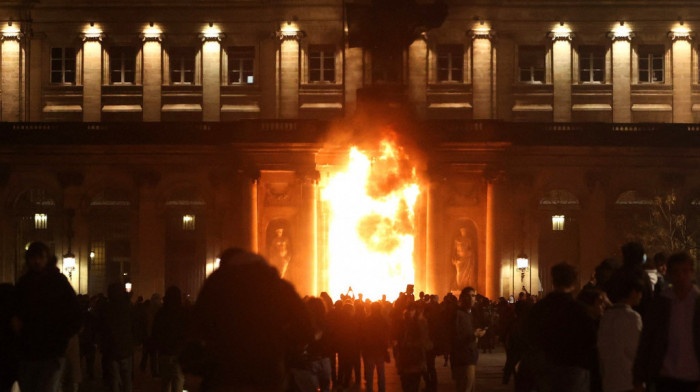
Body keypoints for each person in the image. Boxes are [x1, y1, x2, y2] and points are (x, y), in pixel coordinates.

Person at [188, 248, 314, 392]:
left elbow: (196, 328)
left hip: (225, 376)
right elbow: (306, 329)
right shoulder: (278, 286)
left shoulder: (216, 284)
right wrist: (280, 346)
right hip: (269, 375)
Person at [15, 242, 81, 392]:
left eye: (41, 257)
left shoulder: (58, 282)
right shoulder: (24, 284)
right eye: (33, 258)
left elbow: (75, 313)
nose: (37, 261)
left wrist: (62, 339)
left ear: (47, 259)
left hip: (50, 352)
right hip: (30, 351)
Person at [524, 262, 597, 392]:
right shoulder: (579, 310)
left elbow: (529, 336)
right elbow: (590, 341)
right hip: (573, 369)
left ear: (553, 281)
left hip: (546, 368)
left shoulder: (540, 308)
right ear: (574, 282)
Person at [633, 252, 700, 392]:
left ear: (692, 272)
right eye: (676, 272)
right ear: (669, 273)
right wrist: (639, 377)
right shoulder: (661, 304)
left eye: (685, 271)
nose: (681, 277)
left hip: (694, 377)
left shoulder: (697, 302)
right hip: (666, 376)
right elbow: (647, 339)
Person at [598, 270, 644, 392]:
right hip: (628, 380)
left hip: (608, 379)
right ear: (633, 292)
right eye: (640, 293)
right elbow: (637, 350)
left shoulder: (606, 316)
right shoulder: (633, 317)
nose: (641, 296)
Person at [99, 283, 135, 392]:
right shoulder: (128, 307)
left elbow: (102, 328)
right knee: (127, 378)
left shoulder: (106, 308)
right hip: (126, 347)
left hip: (111, 348)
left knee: (114, 379)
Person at [152, 286, 188, 392]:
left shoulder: (161, 313)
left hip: (164, 353)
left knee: (165, 384)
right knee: (178, 384)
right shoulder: (183, 313)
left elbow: (155, 333)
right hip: (179, 353)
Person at [450, 287, 485, 392]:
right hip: (463, 358)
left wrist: (476, 333)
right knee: (465, 387)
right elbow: (454, 336)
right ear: (462, 298)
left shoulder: (470, 313)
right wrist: (473, 335)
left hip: (470, 356)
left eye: (473, 296)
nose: (471, 299)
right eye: (468, 296)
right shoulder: (457, 314)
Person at [362, 302, 390, 392]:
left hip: (370, 350)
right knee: (381, 373)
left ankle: (369, 389)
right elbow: (387, 334)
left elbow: (363, 335)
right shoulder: (383, 320)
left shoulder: (367, 320)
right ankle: (382, 390)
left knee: (370, 374)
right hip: (380, 350)